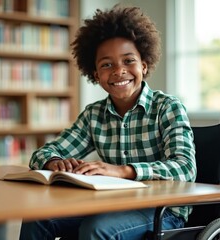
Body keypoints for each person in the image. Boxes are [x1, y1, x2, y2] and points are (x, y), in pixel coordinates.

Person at [19, 4, 196, 240]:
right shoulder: (94, 115)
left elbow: (185, 167)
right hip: (113, 204)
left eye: (128, 61)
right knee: (38, 216)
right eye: (107, 64)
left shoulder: (167, 107)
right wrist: (53, 162)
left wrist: (123, 171)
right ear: (95, 75)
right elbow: (43, 153)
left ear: (143, 65)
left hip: (163, 209)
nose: (119, 71)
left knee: (97, 228)